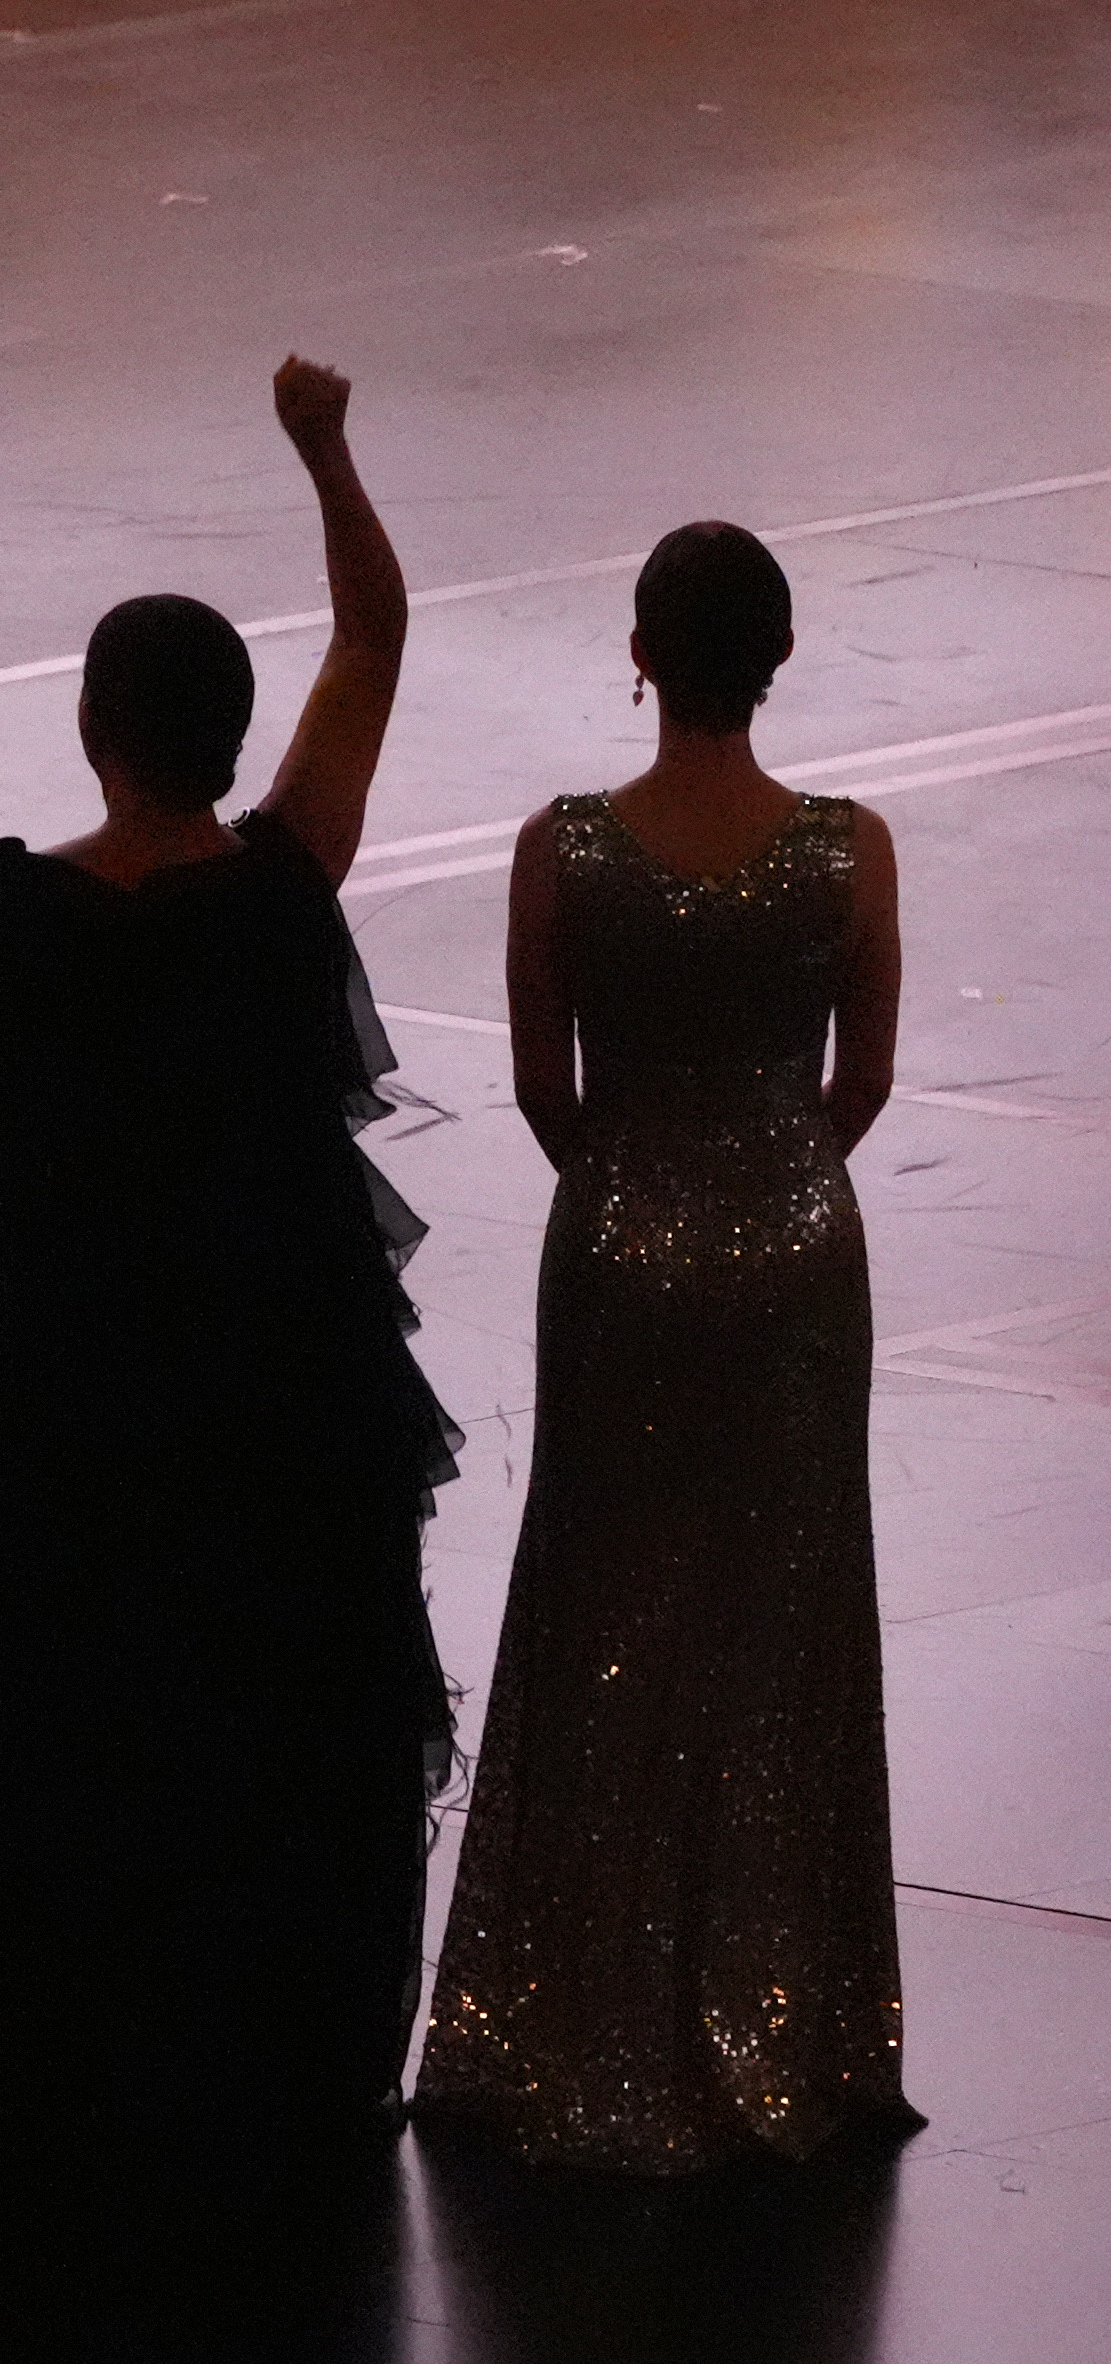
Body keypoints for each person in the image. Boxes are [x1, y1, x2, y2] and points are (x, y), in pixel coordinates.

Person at [0, 357, 456, 2166]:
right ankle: (271, 2034)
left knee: (77, 1700)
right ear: (230, 735)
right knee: (276, 1700)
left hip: (77, 1397)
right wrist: (326, 451)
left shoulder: (11, 907)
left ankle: (78, 2033)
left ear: (94, 728)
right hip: (280, 1393)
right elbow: (373, 637)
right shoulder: (285, 895)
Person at [417, 522, 917, 2173]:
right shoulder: (851, 850)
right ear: (779, 657)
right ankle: (787, 2021)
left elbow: (541, 1081)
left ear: (640, 652)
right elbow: (862, 1079)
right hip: (797, 1254)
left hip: (619, 1247)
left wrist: (640, 1183)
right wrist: (767, 1180)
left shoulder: (560, 849)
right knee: (781, 1622)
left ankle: (571, 2013)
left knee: (606, 1609)